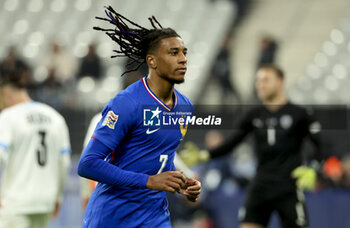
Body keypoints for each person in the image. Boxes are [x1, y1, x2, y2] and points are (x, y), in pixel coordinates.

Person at [77, 6, 201, 228]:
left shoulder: (184, 107)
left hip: (154, 216)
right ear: (152, 61)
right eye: (174, 53)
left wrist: (180, 183)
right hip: (113, 217)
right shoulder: (127, 103)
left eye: (184, 52)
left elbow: (159, 154)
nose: (183, 59)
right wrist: (149, 181)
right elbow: (88, 164)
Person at [192, 64, 322, 228]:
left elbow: (321, 145)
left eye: (266, 80)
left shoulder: (299, 114)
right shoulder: (254, 115)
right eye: (258, 80)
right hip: (261, 185)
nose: (260, 84)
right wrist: (206, 155)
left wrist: (312, 169)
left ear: (280, 82)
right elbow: (232, 143)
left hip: (289, 185)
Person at [0, 72, 71, 228]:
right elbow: (64, 162)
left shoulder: (8, 117)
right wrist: (57, 196)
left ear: (6, 94)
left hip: (15, 201)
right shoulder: (55, 117)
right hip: (45, 200)